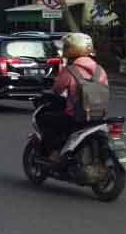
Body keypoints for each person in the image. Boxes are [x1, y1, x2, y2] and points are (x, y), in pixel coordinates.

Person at [39, 32, 109, 161]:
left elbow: (57, 90)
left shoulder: (70, 70)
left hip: (76, 116)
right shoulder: (100, 70)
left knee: (46, 119)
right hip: (99, 116)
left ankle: (53, 153)